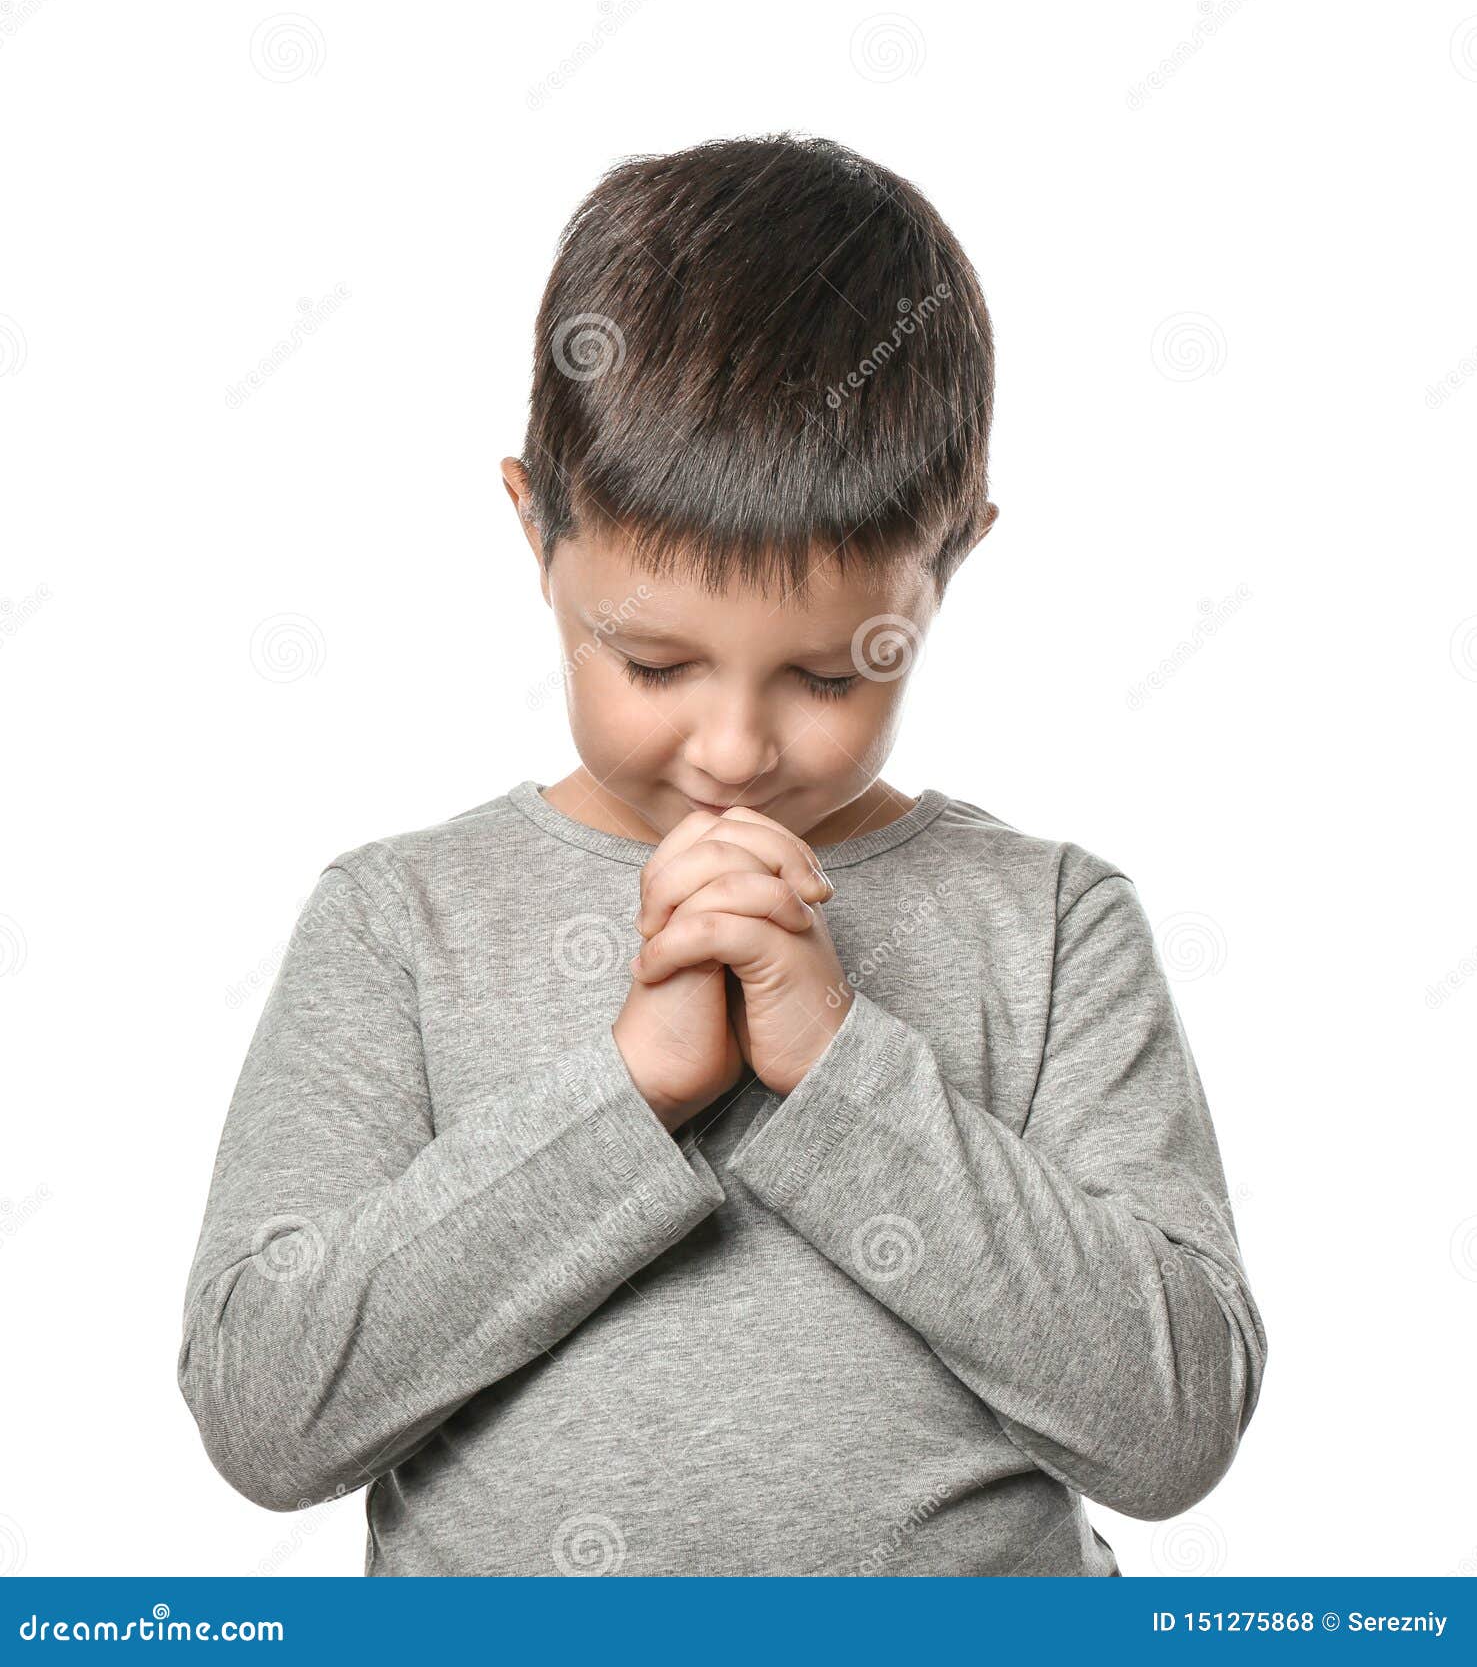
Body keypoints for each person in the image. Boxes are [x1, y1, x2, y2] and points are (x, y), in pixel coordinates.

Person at [176, 132, 1266, 1577]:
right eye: (654, 658)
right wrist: (626, 1096)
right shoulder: (400, 922)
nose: (737, 751)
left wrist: (841, 1069)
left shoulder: (1053, 924)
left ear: (949, 563)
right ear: (534, 531)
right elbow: (266, 1413)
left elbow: (1173, 1425)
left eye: (827, 675)